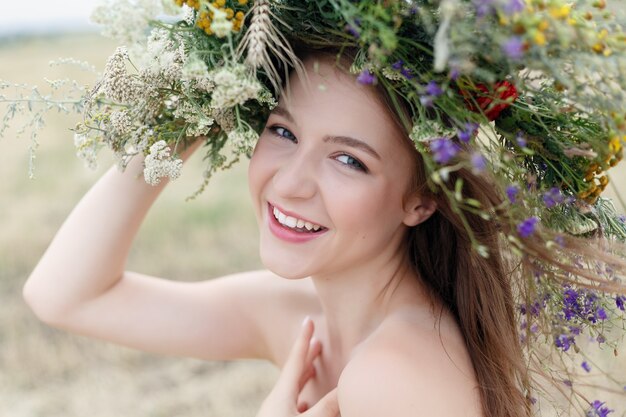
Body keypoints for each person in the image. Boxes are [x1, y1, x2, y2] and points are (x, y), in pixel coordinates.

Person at [18, 1, 626, 416]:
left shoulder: (396, 372)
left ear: (420, 200)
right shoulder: (302, 316)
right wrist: (179, 116)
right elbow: (66, 295)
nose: (291, 182)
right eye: (283, 132)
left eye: (349, 160)